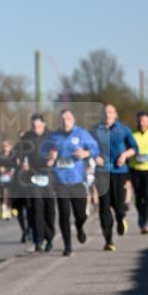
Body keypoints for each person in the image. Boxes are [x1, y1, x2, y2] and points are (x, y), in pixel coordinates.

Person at [43, 109, 99, 256]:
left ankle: (80, 227)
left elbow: (95, 148)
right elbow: (42, 150)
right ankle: (68, 246)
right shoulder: (54, 137)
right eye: (62, 118)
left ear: (73, 120)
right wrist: (49, 156)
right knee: (64, 213)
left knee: (81, 214)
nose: (65, 121)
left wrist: (85, 153)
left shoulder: (81, 134)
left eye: (67, 118)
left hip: (77, 179)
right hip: (60, 180)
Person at [92, 104, 137, 251]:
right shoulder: (95, 130)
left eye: (110, 112)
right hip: (102, 171)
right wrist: (95, 156)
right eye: (105, 112)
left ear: (115, 114)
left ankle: (120, 218)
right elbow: (87, 146)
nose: (107, 115)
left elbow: (134, 148)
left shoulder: (123, 129)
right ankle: (108, 240)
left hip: (119, 171)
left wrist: (124, 155)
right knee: (104, 206)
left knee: (118, 203)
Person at [14, 113, 56, 252]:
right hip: (33, 176)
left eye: (38, 125)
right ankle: (39, 239)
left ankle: (49, 238)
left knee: (49, 209)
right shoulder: (27, 137)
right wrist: (21, 163)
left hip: (48, 175)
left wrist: (53, 158)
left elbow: (59, 151)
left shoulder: (51, 136)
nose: (36, 128)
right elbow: (18, 154)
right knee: (36, 208)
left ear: (44, 124)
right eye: (33, 126)